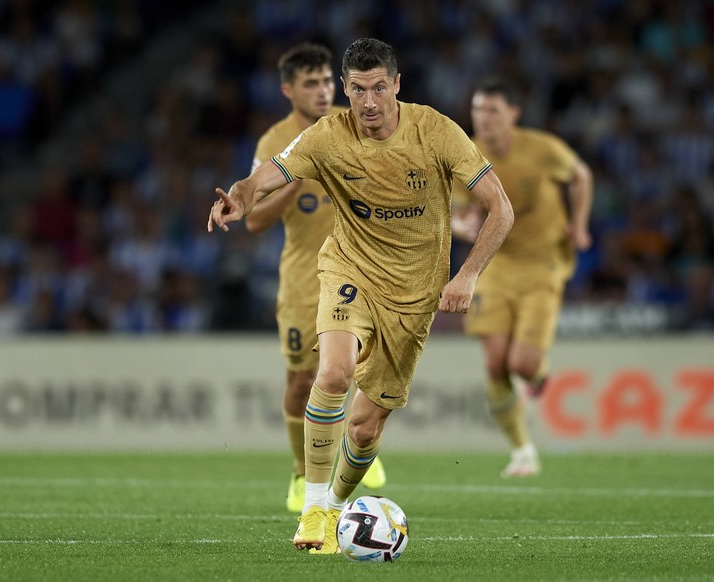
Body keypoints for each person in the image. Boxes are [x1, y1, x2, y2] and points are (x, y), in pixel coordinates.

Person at [208, 38, 514, 554]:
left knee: (366, 429)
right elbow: (267, 175)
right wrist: (239, 195)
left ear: (397, 84)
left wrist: (467, 276)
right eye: (356, 90)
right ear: (345, 90)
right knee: (332, 373)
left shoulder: (436, 131)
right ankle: (312, 510)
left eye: (378, 88)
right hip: (349, 268)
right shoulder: (327, 135)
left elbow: (500, 208)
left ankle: (333, 507)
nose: (368, 102)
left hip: (415, 294)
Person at [243, 42, 386, 514]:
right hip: (306, 276)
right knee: (303, 381)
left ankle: (358, 443)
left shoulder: (356, 124)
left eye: (327, 81)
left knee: (365, 369)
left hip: (364, 269)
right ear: (288, 90)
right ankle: (303, 472)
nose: (323, 91)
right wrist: (295, 178)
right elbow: (253, 220)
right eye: (311, 83)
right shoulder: (274, 142)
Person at [452, 77, 593, 478]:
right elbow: (460, 213)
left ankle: (538, 375)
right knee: (496, 363)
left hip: (543, 265)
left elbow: (581, 176)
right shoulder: (468, 153)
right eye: (478, 110)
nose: (484, 118)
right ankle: (522, 450)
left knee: (522, 363)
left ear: (514, 113)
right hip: (494, 265)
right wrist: (463, 228)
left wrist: (579, 226)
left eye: (493, 110)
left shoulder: (542, 149)